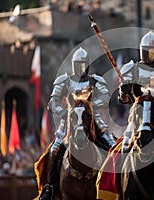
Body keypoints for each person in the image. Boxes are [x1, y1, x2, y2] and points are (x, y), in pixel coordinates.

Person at [39, 47, 116, 200]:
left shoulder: (95, 80)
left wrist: (89, 108)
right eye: (78, 64)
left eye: (83, 64)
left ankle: (118, 184)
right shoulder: (65, 81)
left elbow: (106, 99)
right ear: (73, 65)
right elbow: (53, 102)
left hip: (93, 121)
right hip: (69, 122)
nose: (81, 68)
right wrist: (66, 113)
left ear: (88, 65)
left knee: (113, 147)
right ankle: (49, 187)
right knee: (54, 151)